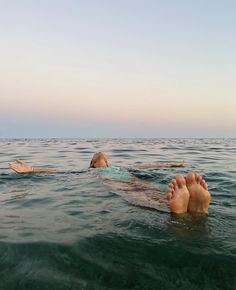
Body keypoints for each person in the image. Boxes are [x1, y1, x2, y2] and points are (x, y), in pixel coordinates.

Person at [9, 152, 211, 214]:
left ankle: (181, 208)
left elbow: (146, 166)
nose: (101, 157)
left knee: (147, 189)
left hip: (129, 178)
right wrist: (33, 169)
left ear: (107, 162)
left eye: (102, 157)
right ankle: (183, 211)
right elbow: (59, 171)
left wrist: (171, 163)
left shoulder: (120, 167)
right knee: (140, 192)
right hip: (115, 182)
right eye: (97, 158)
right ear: (92, 164)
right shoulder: (90, 171)